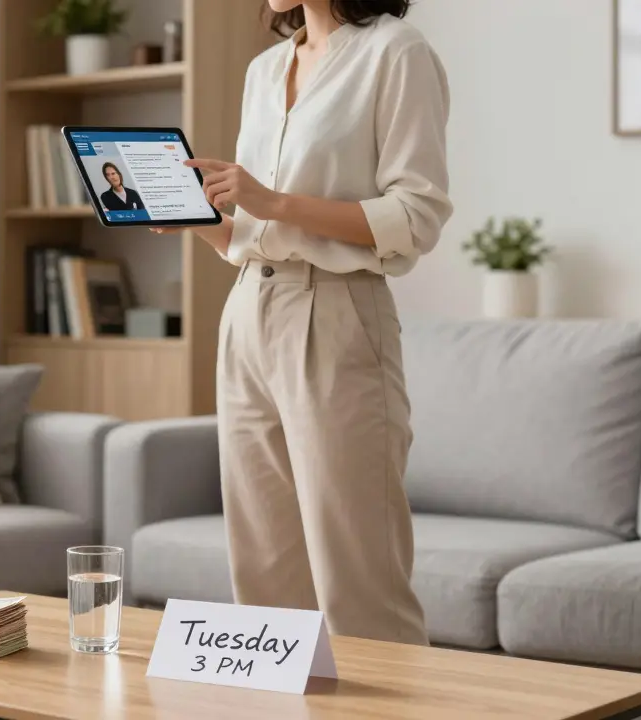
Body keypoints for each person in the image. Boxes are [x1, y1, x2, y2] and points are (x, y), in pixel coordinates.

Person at [154, 0, 451, 645]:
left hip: (337, 310)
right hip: (248, 311)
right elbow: (259, 232)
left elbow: (415, 214)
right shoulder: (265, 69)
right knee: (264, 569)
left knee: (358, 575)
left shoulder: (395, 52)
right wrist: (203, 222)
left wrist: (271, 199)